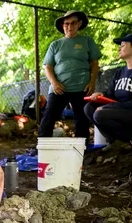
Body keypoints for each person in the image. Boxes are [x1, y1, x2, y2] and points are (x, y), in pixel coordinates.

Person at [38, 10, 102, 141]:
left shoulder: (87, 41)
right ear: (63, 26)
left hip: (82, 87)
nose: (69, 26)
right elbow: (48, 67)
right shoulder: (55, 44)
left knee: (82, 118)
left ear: (79, 24)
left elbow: (95, 63)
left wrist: (92, 82)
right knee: (48, 116)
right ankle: (42, 149)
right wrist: (54, 83)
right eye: (66, 23)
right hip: (59, 87)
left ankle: (82, 150)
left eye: (73, 23)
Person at [84, 33, 132, 147]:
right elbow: (110, 95)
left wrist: (108, 107)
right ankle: (116, 142)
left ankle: (129, 139)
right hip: (120, 111)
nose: (119, 48)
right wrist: (100, 95)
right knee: (89, 108)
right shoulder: (120, 72)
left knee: (100, 114)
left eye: (123, 45)